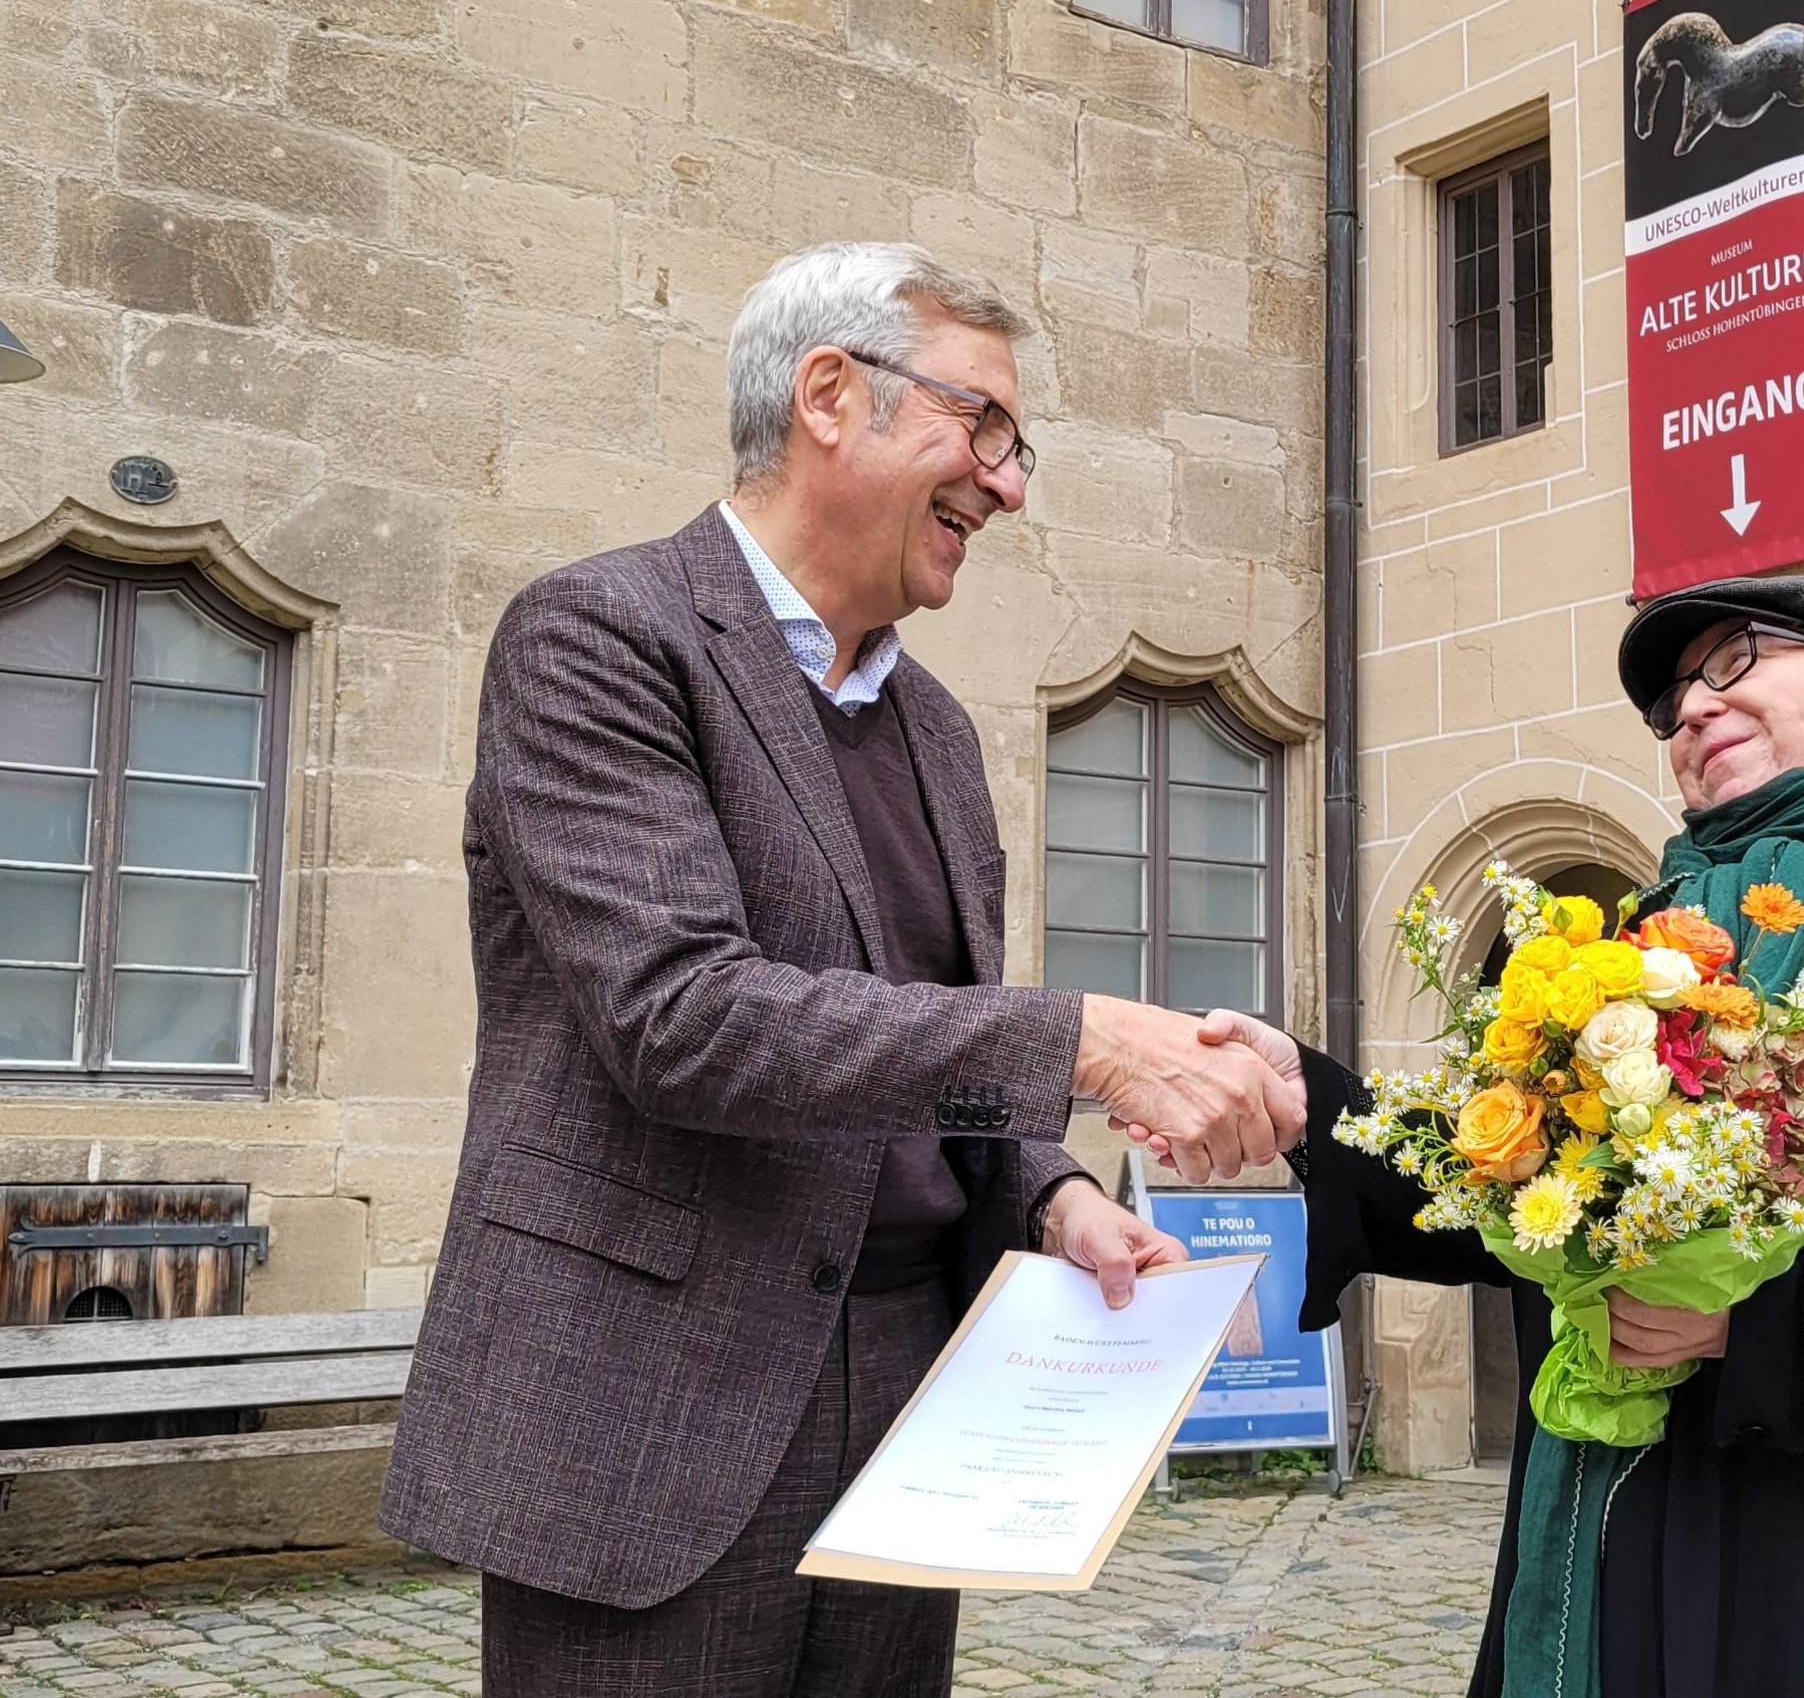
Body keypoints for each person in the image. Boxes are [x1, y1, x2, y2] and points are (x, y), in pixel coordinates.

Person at [379, 242, 1304, 1698]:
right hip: (654, 1403)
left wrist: (1053, 1197)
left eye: (1016, 446)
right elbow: (682, 1019)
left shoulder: (935, 726)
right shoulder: (602, 636)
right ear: (829, 395)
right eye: (982, 425)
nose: (1007, 484)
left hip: (912, 1398)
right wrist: (1086, 1041)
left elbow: (929, 1058)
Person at [1165, 576, 1804, 1697]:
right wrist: (1315, 1105)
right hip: (1660, 1582)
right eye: (1672, 700)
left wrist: (1760, 1333)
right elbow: (1521, 1199)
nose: (1691, 708)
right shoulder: (1641, 950)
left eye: (1736, 658)